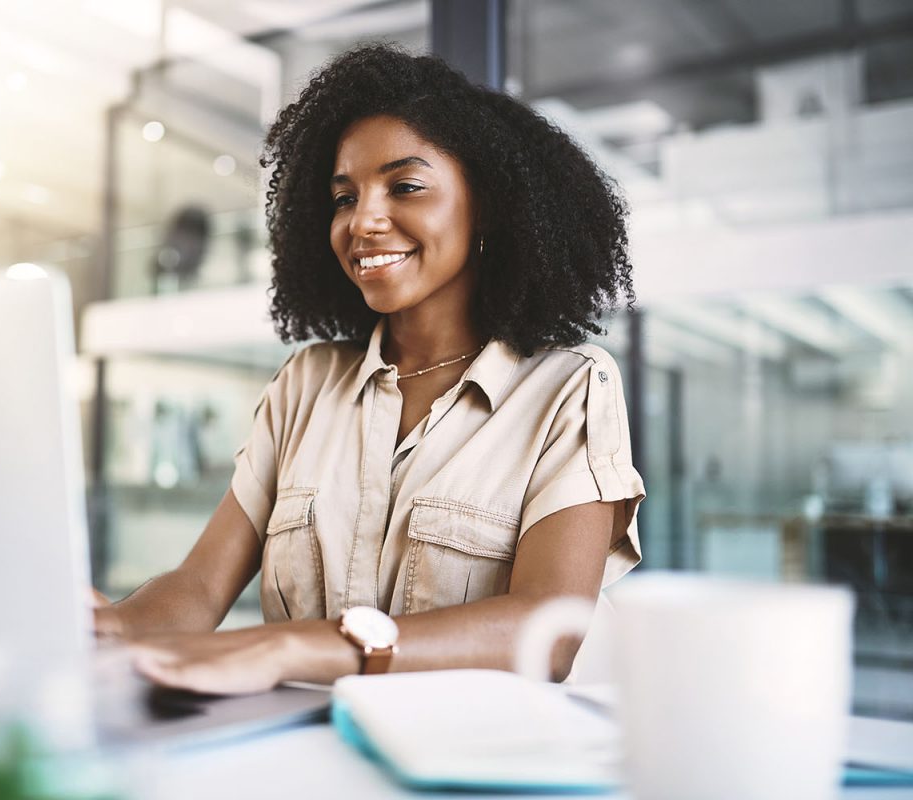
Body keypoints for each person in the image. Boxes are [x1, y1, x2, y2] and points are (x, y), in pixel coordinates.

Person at [94, 44, 644, 694]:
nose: (363, 221)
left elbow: (546, 633)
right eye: (342, 197)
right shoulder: (306, 384)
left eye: (404, 186)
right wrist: (110, 628)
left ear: (488, 206)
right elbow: (198, 587)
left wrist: (293, 647)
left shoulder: (568, 390)